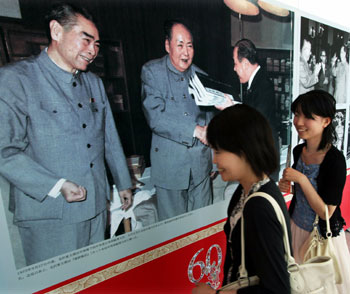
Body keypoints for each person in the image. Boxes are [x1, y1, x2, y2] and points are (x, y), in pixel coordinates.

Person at [0, 3, 132, 266]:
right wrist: (57, 185)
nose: (93, 51)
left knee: (96, 278)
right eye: (86, 40)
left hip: (95, 206)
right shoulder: (16, 80)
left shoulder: (93, 82)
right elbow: (5, 152)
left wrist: (123, 181)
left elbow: (108, 136)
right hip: (49, 215)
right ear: (56, 31)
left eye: (96, 44)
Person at [193, 104, 292, 294]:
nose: (214, 160)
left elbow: (277, 290)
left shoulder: (259, 206)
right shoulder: (244, 191)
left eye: (219, 151)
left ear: (244, 150)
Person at [141, 19, 215, 221]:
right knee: (173, 233)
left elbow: (209, 120)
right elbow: (155, 116)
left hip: (200, 168)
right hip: (170, 168)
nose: (186, 52)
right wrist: (195, 130)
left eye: (189, 45)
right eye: (180, 45)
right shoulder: (152, 72)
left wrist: (213, 163)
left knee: (202, 226)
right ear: (167, 45)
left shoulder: (201, 76)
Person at [279, 90, 350, 294]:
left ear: (326, 122)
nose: (299, 121)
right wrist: (291, 187)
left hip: (320, 237)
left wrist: (301, 179)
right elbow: (303, 194)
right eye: (297, 114)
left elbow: (326, 212)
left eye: (308, 117)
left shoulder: (334, 160)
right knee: (298, 284)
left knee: (320, 286)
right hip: (295, 228)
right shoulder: (298, 151)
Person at [216, 38, 280, 181]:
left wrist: (231, 108)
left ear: (245, 63)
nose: (234, 68)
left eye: (235, 63)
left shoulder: (262, 84)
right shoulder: (256, 83)